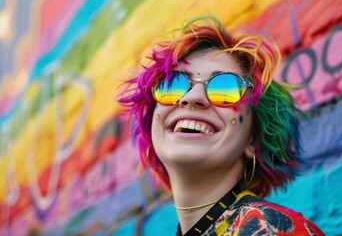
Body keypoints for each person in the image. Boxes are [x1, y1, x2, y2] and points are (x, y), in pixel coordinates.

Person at [118, 15, 325, 235]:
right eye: (174, 83)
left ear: (253, 139)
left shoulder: (269, 228)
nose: (192, 97)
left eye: (226, 88)